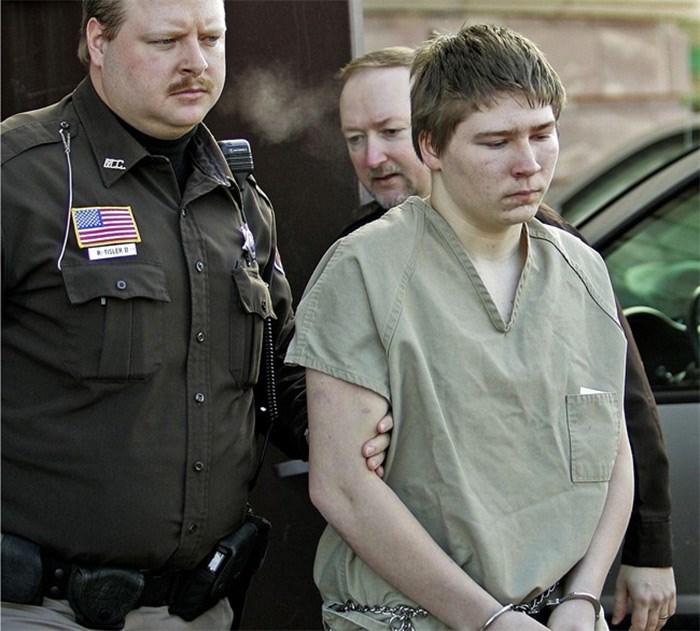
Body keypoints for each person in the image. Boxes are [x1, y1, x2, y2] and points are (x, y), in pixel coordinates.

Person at [0, 1, 391, 629]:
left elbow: (284, 368)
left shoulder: (237, 200)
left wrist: (359, 432)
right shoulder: (21, 175)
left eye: (212, 38)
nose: (196, 62)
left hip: (198, 609)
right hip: (38, 608)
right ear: (97, 42)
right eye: (165, 42)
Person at [288, 23, 635, 630]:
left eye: (542, 134)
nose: (527, 164)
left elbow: (612, 449)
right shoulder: (364, 270)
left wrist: (584, 596)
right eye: (495, 142)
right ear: (432, 146)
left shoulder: (582, 269)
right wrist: (490, 619)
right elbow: (342, 487)